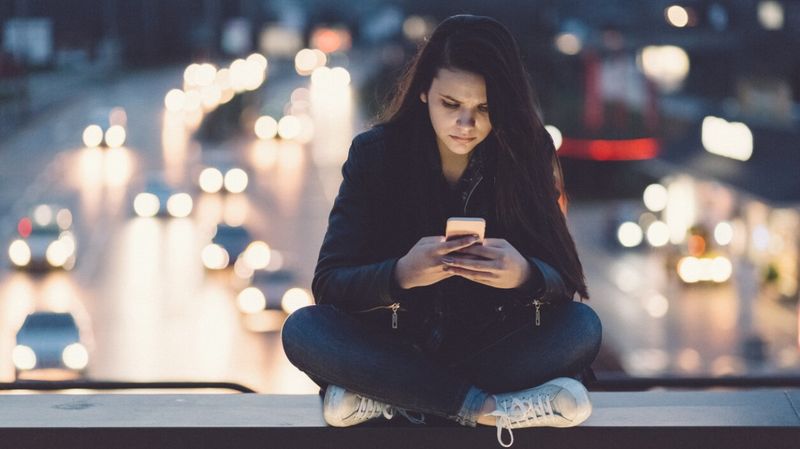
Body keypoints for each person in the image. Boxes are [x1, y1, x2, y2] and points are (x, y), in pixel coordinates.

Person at [281, 14, 602, 447]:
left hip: (487, 347)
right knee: (303, 329)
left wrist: (525, 276)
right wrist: (401, 275)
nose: (465, 125)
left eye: (484, 109)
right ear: (423, 93)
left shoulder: (526, 152)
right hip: (396, 346)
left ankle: (392, 400)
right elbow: (330, 285)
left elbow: (565, 282)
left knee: (582, 327)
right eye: (450, 105)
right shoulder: (376, 155)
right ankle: (486, 410)